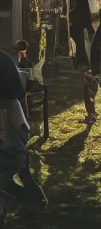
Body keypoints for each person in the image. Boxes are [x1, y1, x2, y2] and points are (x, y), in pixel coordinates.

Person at [0, 52, 47, 212]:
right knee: (14, 180)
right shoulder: (6, 61)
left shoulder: (9, 103)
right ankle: (33, 203)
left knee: (6, 183)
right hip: (13, 145)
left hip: (10, 148)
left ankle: (28, 203)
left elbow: (21, 125)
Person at [68, 0, 94, 70]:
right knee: (80, 44)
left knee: (78, 44)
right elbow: (86, 14)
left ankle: (78, 62)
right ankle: (81, 63)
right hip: (79, 25)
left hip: (76, 25)